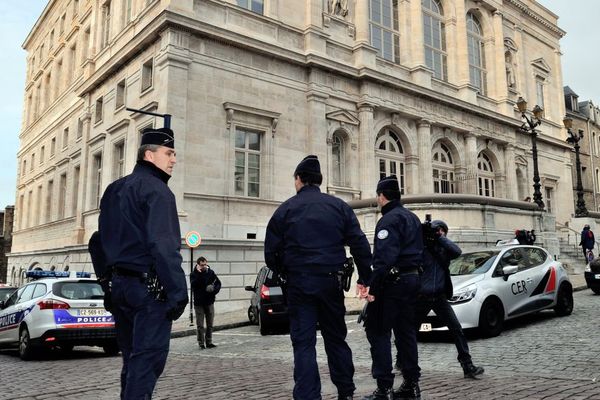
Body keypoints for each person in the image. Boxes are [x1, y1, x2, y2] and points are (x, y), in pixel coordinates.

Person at [264, 155, 372, 400]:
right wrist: (365, 277)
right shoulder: (339, 207)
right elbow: (360, 244)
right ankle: (346, 390)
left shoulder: (285, 209)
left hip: (299, 283)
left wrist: (286, 271)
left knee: (303, 343)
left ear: (299, 180)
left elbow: (271, 253)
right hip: (330, 281)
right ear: (319, 180)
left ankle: (307, 395)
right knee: (336, 339)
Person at [92, 127, 189, 400]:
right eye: (169, 153)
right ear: (149, 154)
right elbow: (164, 246)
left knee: (133, 362)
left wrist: (105, 283)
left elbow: (97, 241)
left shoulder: (113, 189)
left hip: (121, 288)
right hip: (149, 291)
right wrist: (178, 293)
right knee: (146, 364)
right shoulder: (158, 191)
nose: (173, 160)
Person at [395, 220, 484, 379]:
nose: (440, 233)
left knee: (457, 329)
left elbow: (457, 251)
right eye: (437, 230)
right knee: (409, 332)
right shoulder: (421, 248)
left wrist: (439, 238)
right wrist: (422, 237)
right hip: (421, 297)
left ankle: (467, 366)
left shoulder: (444, 249)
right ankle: (401, 361)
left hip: (439, 297)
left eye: (443, 231)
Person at [362, 175, 423, 400]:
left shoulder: (388, 220)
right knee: (406, 333)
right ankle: (411, 383)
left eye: (378, 196)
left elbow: (383, 260)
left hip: (392, 284)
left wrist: (372, 288)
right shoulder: (412, 218)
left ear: (382, 196)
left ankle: (384, 387)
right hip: (412, 280)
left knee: (378, 331)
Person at [190, 256, 221, 349]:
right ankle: (201, 343)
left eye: (205, 264)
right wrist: (200, 274)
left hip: (209, 301)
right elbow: (194, 285)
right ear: (198, 265)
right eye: (202, 265)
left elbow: (218, 283)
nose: (204, 266)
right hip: (199, 303)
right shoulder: (193, 274)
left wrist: (214, 290)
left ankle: (209, 342)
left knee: (210, 324)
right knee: (200, 325)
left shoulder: (211, 273)